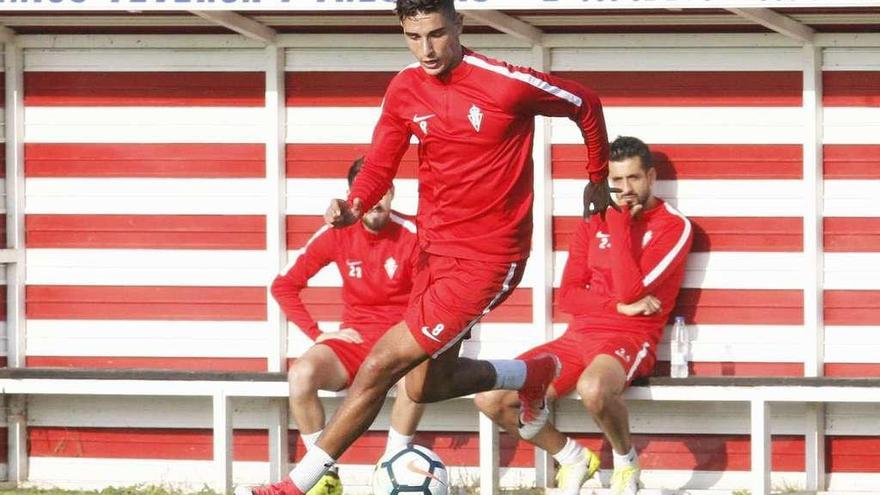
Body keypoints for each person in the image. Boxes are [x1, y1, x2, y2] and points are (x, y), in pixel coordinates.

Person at [239, 1, 612, 493]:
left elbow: (585, 103)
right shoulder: (405, 89)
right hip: (434, 255)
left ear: (459, 25)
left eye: (436, 34)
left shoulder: (504, 83)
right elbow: (379, 165)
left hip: (488, 260)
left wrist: (597, 178)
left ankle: (298, 484)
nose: (427, 49)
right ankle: (531, 372)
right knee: (425, 385)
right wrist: (354, 205)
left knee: (378, 366)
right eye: (414, 37)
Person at [475, 136, 694, 495]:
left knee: (593, 389)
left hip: (629, 337)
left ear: (651, 176)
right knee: (492, 397)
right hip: (576, 339)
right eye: (617, 181)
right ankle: (573, 456)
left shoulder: (674, 227)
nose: (625, 190)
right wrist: (615, 304)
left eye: (634, 179)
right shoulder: (594, 223)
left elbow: (631, 293)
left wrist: (621, 226)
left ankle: (626, 464)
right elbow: (569, 296)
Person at [269, 157, 426, 495]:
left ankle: (392, 469)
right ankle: (324, 477)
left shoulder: (413, 234)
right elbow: (283, 285)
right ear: (354, 197)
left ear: (393, 194)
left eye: (384, 191)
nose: (377, 200)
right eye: (369, 192)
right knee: (301, 374)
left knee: (422, 365)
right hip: (355, 340)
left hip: (401, 340)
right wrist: (318, 334)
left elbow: (431, 296)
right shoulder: (337, 234)